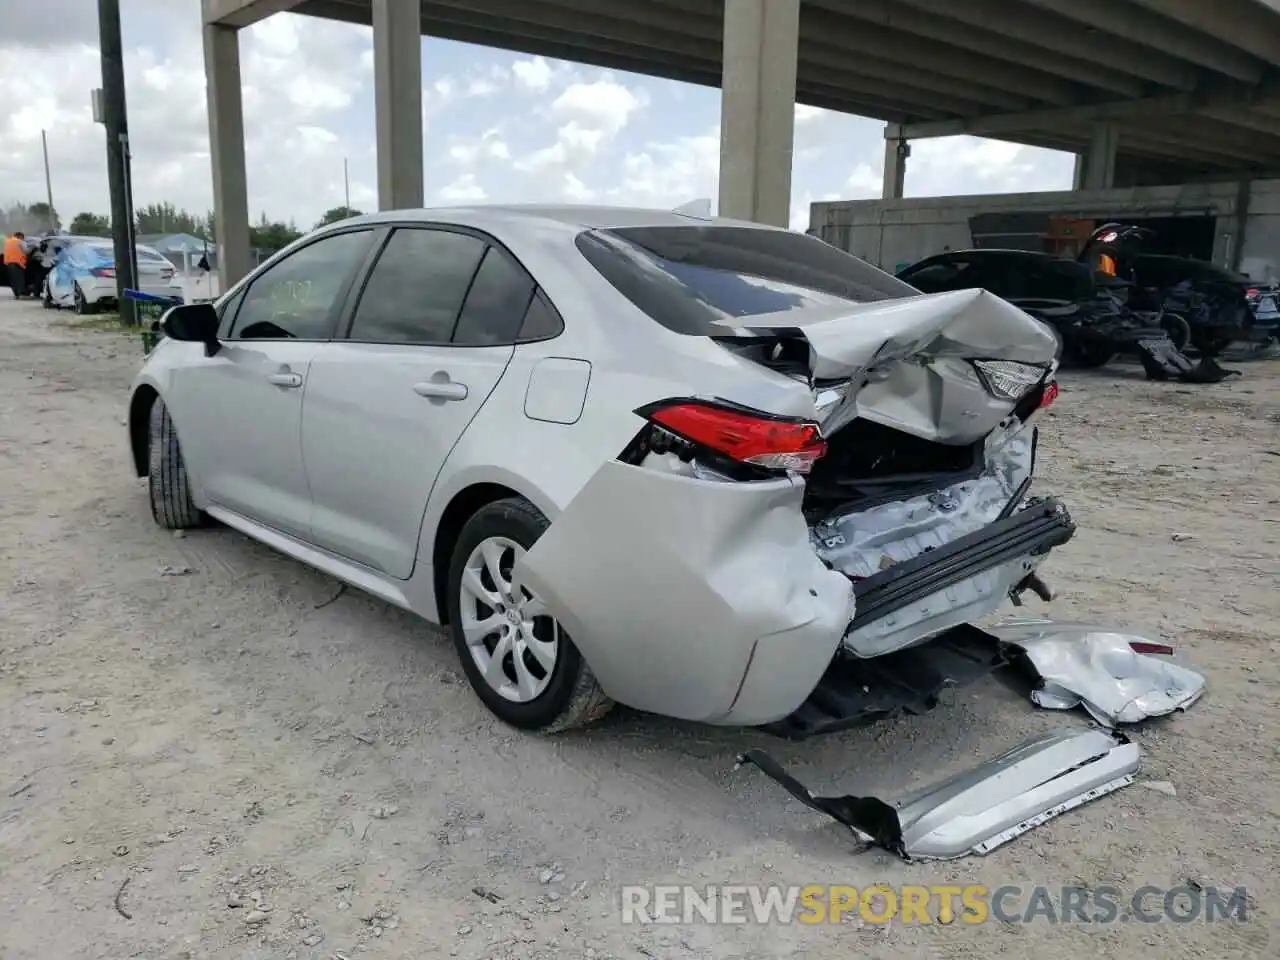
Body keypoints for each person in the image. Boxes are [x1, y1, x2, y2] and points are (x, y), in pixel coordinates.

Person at [4, 231, 28, 298]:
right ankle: (21, 294)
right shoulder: (20, 242)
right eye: (23, 238)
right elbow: (26, 250)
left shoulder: (8, 241)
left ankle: (16, 294)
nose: (23, 239)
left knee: (13, 280)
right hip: (18, 263)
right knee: (19, 279)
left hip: (8, 263)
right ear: (20, 237)